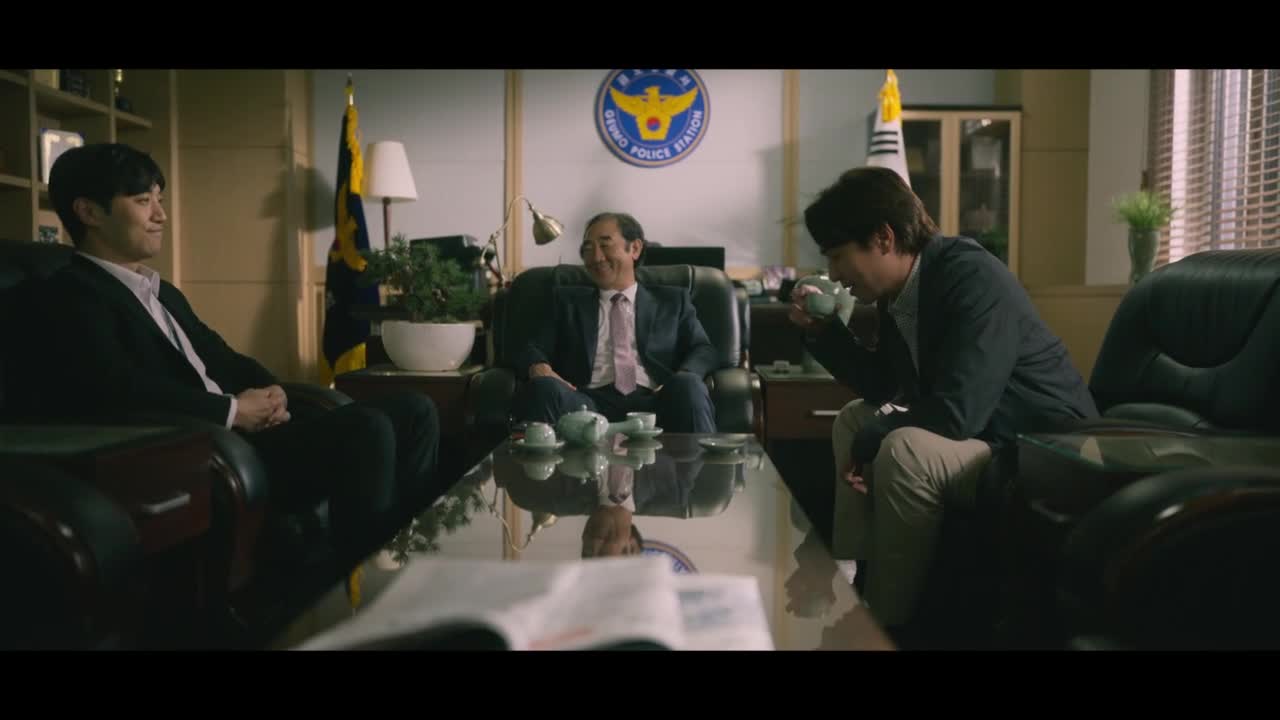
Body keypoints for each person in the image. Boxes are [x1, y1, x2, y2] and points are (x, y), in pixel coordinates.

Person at [11, 142, 444, 560]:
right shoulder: (69, 296)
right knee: (368, 427)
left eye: (160, 199)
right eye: (143, 201)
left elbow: (221, 357)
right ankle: (362, 584)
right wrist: (232, 412)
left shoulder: (160, 291)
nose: (161, 215)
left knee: (415, 409)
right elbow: (118, 389)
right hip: (204, 452)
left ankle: (407, 555)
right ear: (89, 212)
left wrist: (273, 392)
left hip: (248, 434)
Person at [790, 166, 1098, 631]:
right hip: (986, 434)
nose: (833, 273)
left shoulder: (970, 275)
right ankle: (852, 579)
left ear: (883, 238)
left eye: (838, 255)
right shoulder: (902, 291)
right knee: (854, 418)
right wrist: (825, 333)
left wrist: (878, 436)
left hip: (1040, 447)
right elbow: (885, 387)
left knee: (904, 448)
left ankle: (884, 626)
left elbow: (958, 411)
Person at [512, 212, 718, 432]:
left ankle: (704, 456)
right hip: (583, 404)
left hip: (654, 400)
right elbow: (532, 348)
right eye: (588, 249)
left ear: (635, 248)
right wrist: (539, 367)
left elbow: (703, 349)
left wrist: (684, 374)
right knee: (544, 388)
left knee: (689, 385)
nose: (596, 257)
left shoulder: (671, 301)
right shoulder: (566, 302)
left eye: (605, 245)